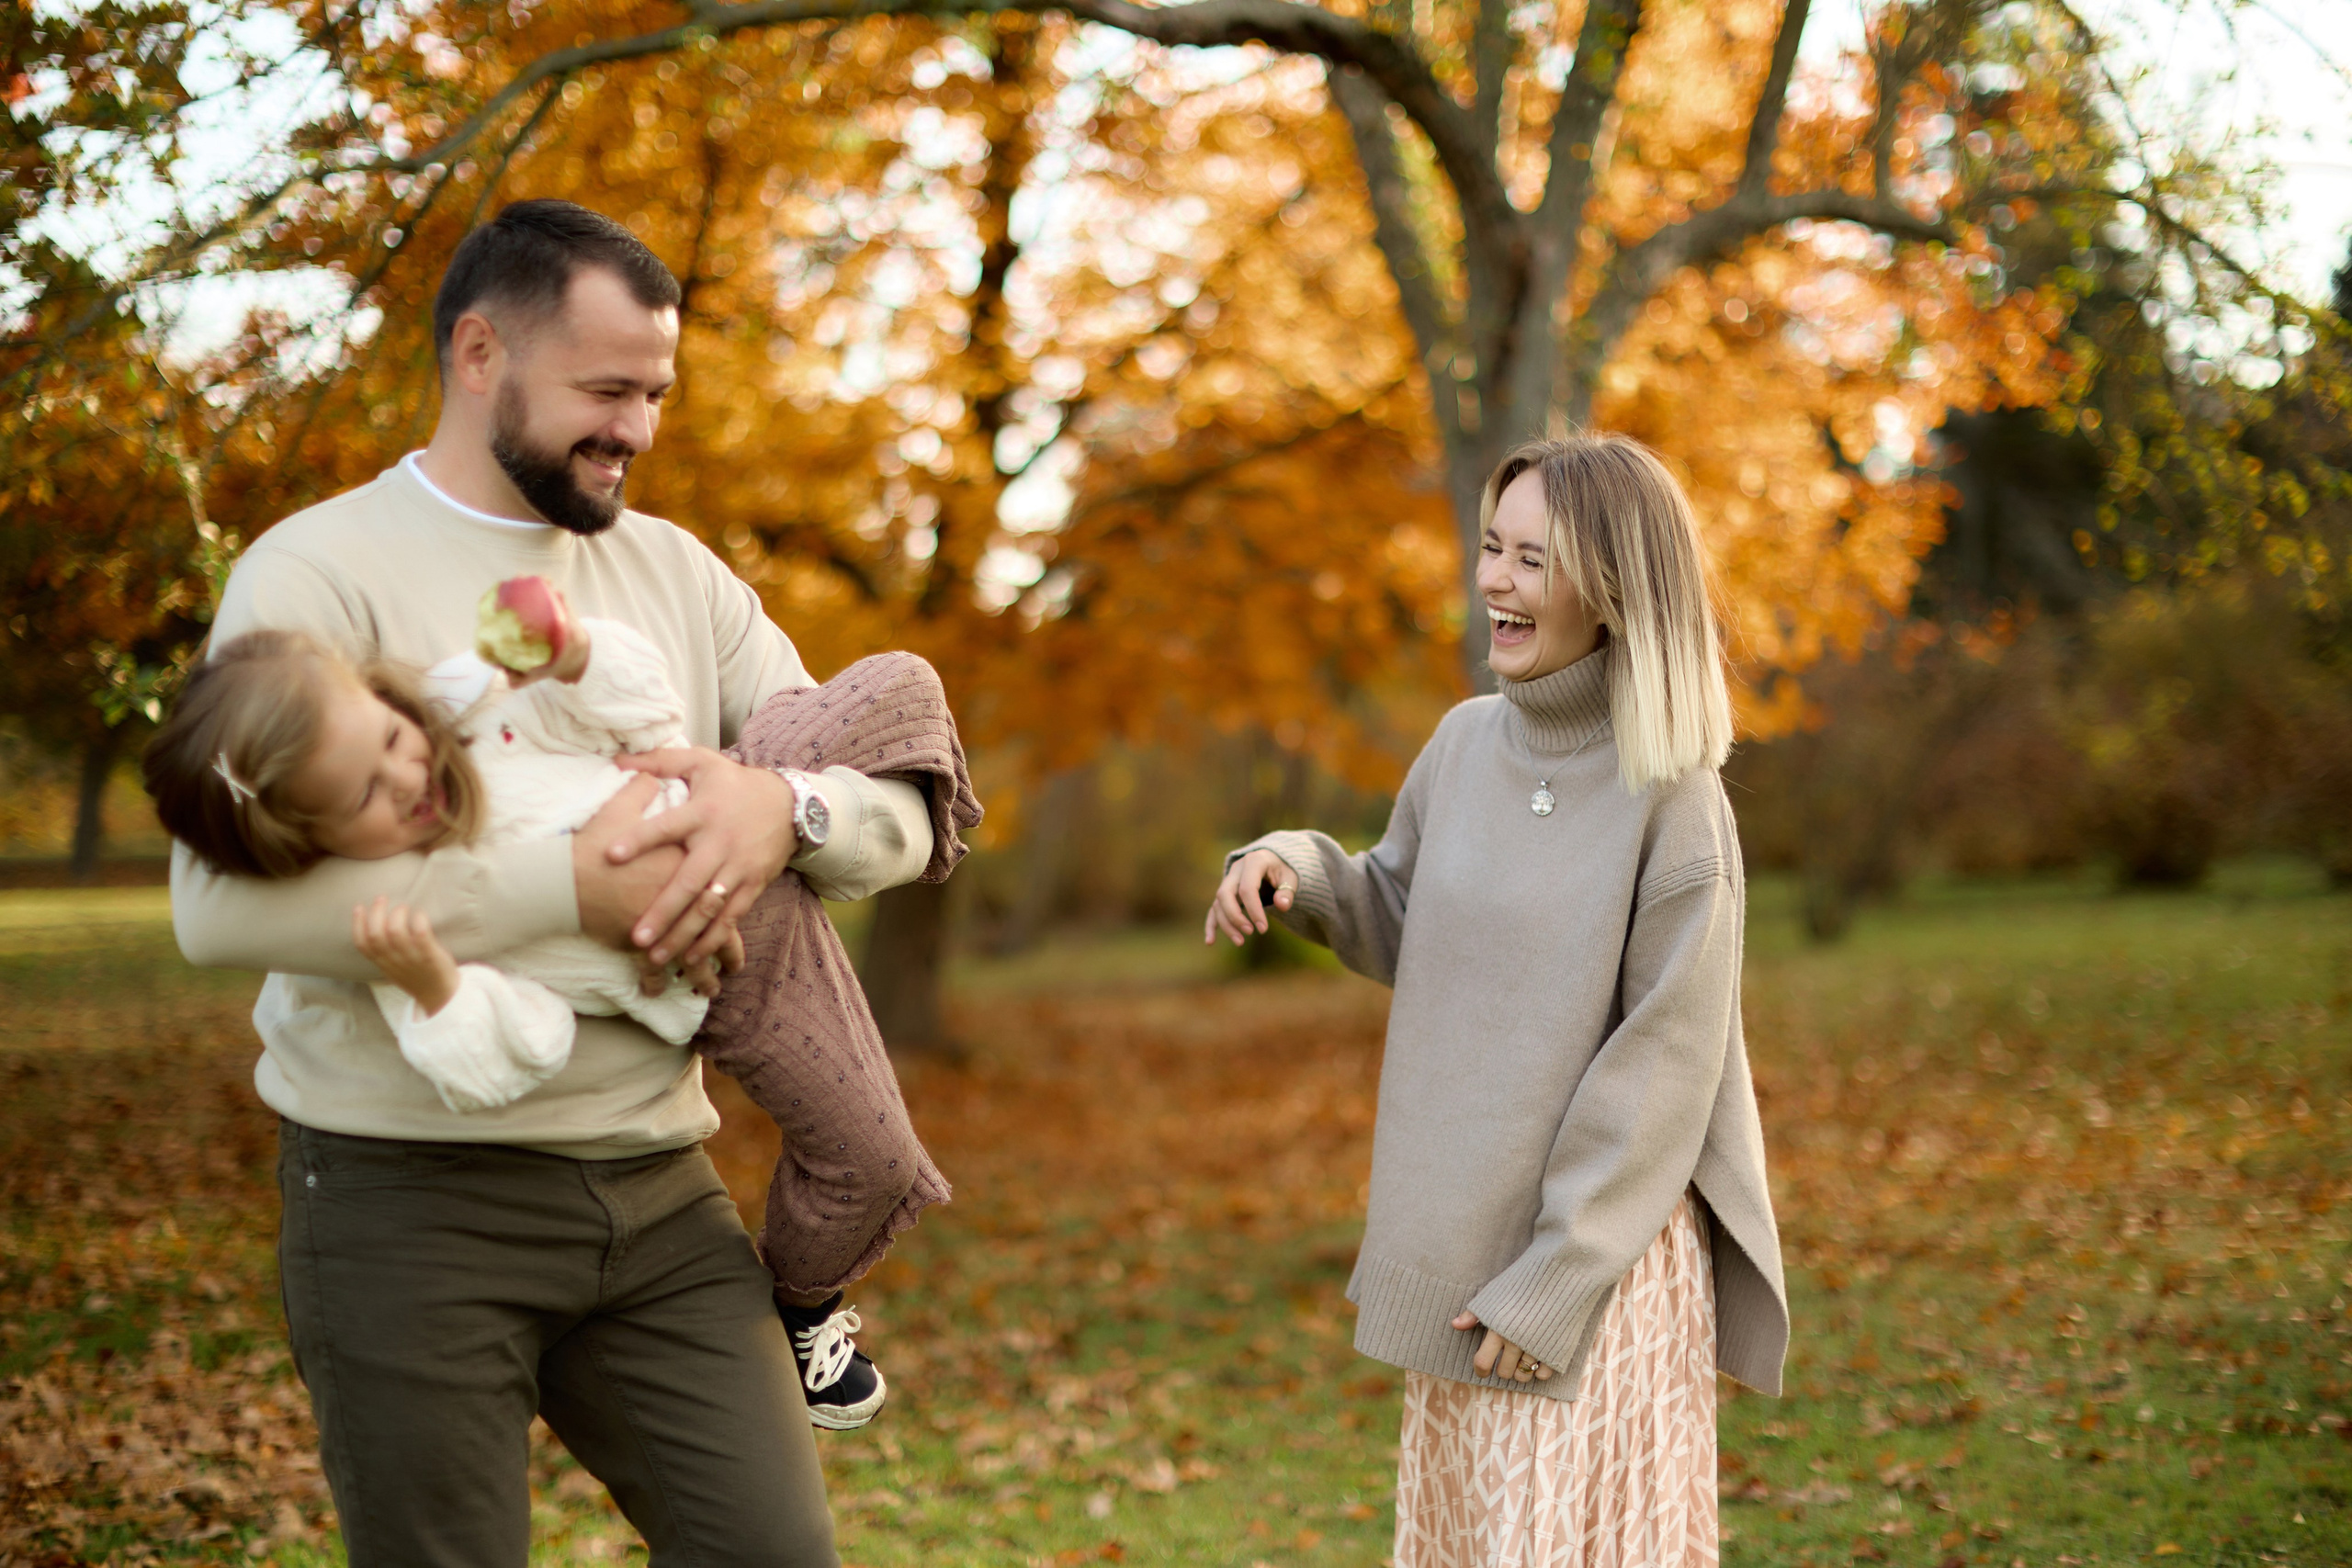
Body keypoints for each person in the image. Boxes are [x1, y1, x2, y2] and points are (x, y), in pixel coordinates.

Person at [169, 198, 936, 1567]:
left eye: (654, 392)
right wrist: (560, 888)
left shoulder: (677, 576)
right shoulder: (318, 572)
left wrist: (783, 805)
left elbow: (902, 818)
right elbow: (216, 906)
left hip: (657, 1191)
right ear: (481, 354)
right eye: (605, 388)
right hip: (410, 1197)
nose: (637, 427)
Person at [1205, 434, 1787, 1568]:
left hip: (1590, 1271)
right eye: (1490, 548)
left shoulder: (1674, 796)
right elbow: (1409, 917)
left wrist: (1557, 1277)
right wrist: (1298, 865)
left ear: (1613, 588)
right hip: (1473, 1247)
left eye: (1531, 558)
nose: (1493, 581)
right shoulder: (1465, 742)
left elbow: (1667, 1061)